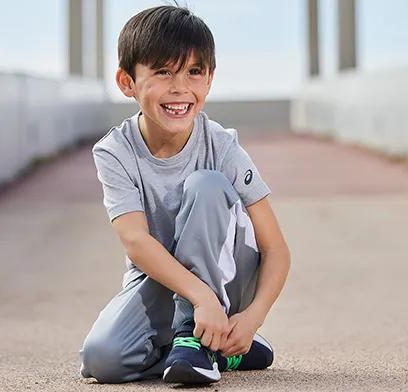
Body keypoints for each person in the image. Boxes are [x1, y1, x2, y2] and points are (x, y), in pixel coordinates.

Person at [78, 4, 291, 385]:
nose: (180, 87)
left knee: (206, 186)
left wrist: (252, 316)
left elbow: (275, 248)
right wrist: (200, 298)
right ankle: (216, 348)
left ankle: (199, 336)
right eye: (163, 72)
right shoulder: (114, 151)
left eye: (194, 72)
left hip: (227, 279)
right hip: (167, 278)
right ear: (127, 82)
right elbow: (136, 242)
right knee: (102, 361)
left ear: (209, 80)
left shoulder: (221, 146)